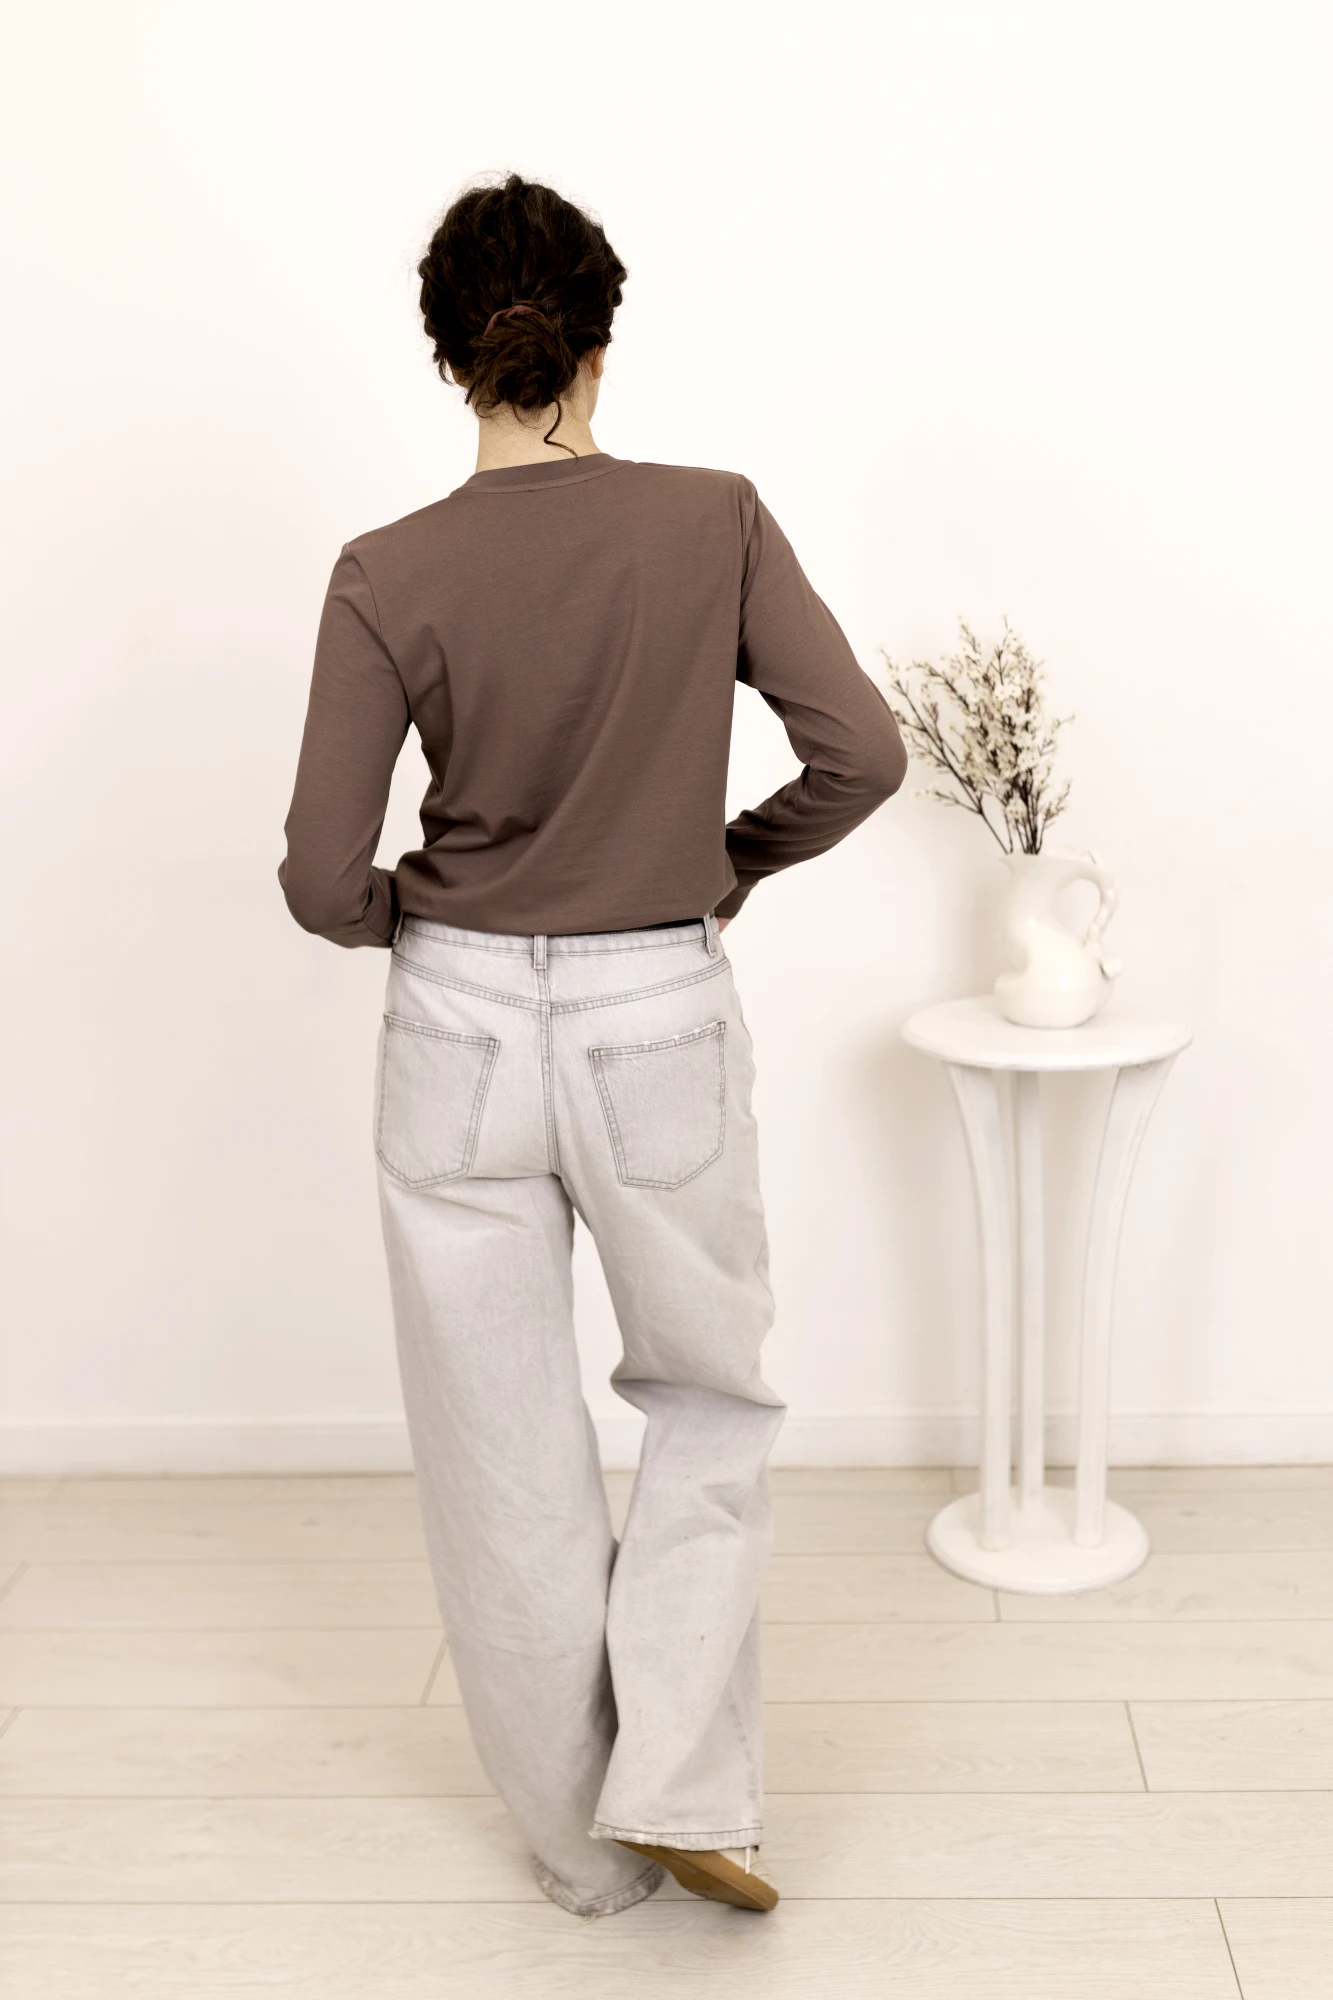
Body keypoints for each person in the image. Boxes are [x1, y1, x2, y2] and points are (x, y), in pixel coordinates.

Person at [278, 173, 907, 1921]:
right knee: (706, 1394)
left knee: (502, 1451)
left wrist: (423, 918)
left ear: (448, 359)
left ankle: (575, 1854)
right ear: (601, 346)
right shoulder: (714, 519)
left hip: (456, 1026)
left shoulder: (385, 571)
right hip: (656, 1013)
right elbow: (862, 752)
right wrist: (726, 863)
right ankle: (686, 1782)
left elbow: (322, 878)